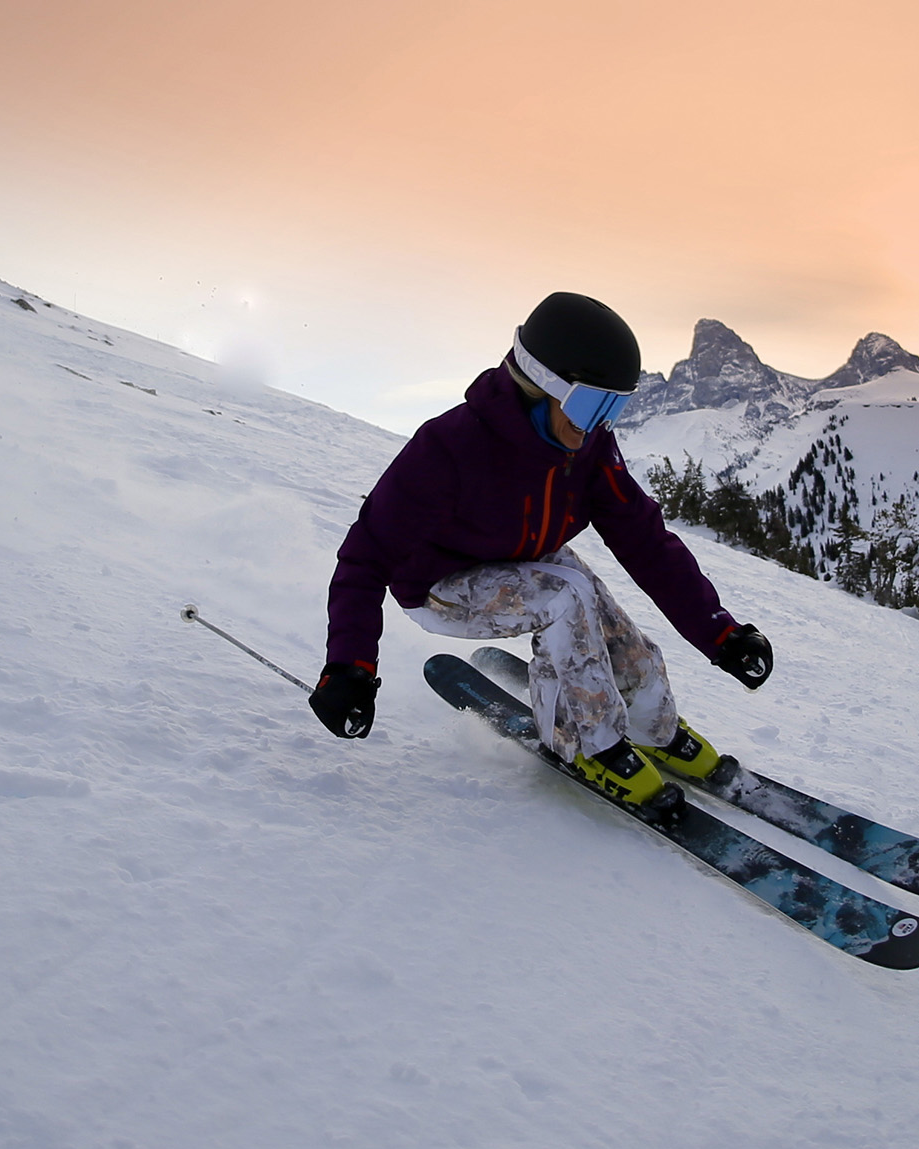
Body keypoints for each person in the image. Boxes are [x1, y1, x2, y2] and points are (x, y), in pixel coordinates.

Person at [308, 292, 772, 817]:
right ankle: (584, 741)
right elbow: (365, 556)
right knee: (562, 598)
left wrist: (721, 634)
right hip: (438, 584)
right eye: (590, 404)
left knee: (590, 595)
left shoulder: (587, 446)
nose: (597, 423)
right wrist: (349, 666)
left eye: (614, 407)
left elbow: (644, 539)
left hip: (523, 562)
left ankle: (653, 727)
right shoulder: (450, 448)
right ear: (540, 385)